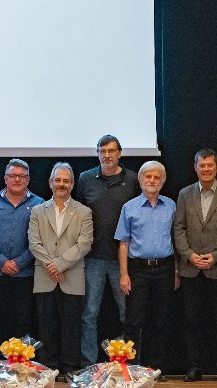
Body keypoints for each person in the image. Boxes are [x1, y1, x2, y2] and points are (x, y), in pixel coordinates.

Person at [173, 149, 217, 383]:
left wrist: (216, 256)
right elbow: (178, 228)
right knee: (192, 322)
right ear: (195, 167)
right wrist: (189, 255)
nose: (206, 169)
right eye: (202, 165)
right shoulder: (184, 194)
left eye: (210, 165)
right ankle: (195, 367)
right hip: (191, 269)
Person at [73, 134, 140, 366]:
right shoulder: (85, 179)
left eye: (111, 151)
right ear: (98, 154)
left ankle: (129, 364)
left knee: (127, 313)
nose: (107, 155)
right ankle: (88, 364)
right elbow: (78, 214)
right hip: (93, 258)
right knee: (89, 313)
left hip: (125, 260)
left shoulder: (133, 179)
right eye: (102, 151)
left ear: (119, 153)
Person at [27, 162, 93, 374]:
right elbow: (34, 242)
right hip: (44, 275)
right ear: (50, 182)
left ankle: (70, 368)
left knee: (71, 325)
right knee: (46, 325)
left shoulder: (84, 212)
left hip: (71, 276)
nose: (61, 184)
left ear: (72, 184)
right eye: (58, 180)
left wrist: (60, 264)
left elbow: (85, 243)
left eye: (66, 181)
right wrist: (51, 266)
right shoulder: (37, 211)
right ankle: (49, 368)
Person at [0, 158, 43, 363]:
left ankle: (19, 365)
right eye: (13, 175)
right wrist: (2, 262)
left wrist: (20, 262)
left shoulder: (39, 204)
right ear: (5, 178)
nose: (17, 179)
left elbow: (40, 239)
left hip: (25, 273)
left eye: (22, 176)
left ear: (28, 179)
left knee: (22, 320)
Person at [115, 160, 177, 371]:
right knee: (133, 321)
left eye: (156, 177)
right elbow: (123, 243)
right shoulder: (129, 207)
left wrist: (176, 272)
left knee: (161, 320)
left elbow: (176, 240)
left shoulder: (171, 206)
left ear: (162, 181)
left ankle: (155, 367)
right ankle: (132, 368)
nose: (152, 180)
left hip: (165, 269)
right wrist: (124, 274)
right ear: (140, 180)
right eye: (148, 177)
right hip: (138, 269)